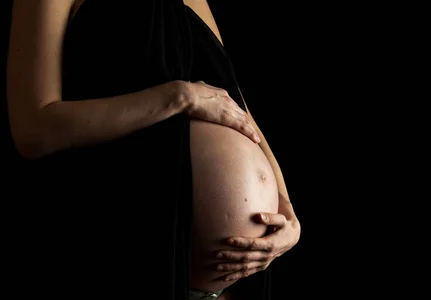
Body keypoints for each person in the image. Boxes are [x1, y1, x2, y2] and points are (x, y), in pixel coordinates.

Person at [5, 0, 300, 299]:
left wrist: (287, 210)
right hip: (131, 246)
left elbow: (236, 109)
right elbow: (34, 128)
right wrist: (180, 97)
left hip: (239, 279)